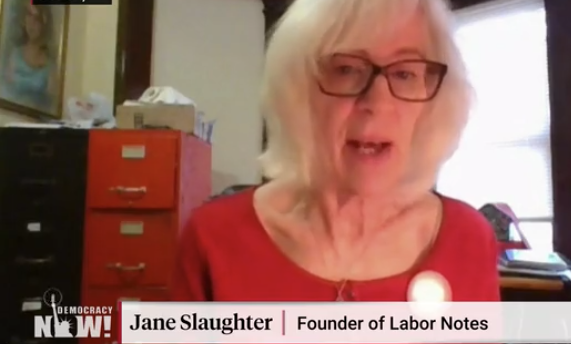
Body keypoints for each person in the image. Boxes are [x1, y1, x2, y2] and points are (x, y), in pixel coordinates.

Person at [171, 0, 500, 302]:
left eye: (405, 73)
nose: (378, 103)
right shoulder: (213, 240)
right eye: (346, 69)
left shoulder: (468, 240)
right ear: (298, 90)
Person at [2, 2, 57, 113]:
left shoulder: (50, 66)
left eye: (36, 19)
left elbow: (51, 105)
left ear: (43, 24)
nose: (31, 24)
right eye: (28, 17)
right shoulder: (14, 54)